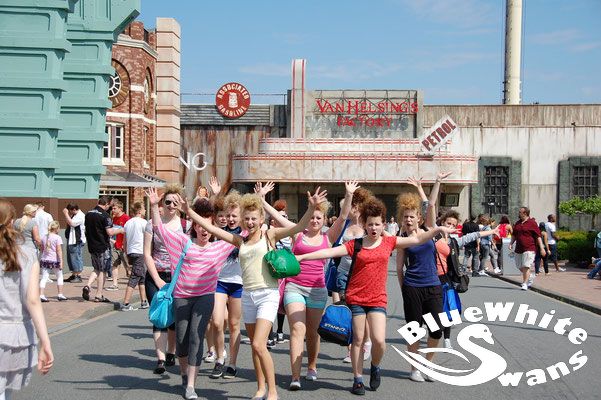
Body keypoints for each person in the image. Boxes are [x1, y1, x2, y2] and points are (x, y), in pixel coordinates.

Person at [296, 196, 454, 395]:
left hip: (377, 298)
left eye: (377, 224)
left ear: (383, 225)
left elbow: (416, 239)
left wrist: (438, 230)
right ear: (364, 224)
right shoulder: (356, 244)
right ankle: (358, 379)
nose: (373, 228)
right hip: (356, 297)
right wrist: (302, 256)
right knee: (358, 339)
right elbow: (329, 252)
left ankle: (375, 366)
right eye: (370, 224)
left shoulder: (389, 242)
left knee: (379, 341)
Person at [183, 187, 328, 400]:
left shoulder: (270, 235)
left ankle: (273, 391)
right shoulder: (239, 240)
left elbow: (298, 227)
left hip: (267, 295)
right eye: (246, 219)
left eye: (253, 218)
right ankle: (260, 388)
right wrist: (189, 211)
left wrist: (311, 207)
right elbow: (211, 228)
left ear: (261, 219)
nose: (250, 222)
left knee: (260, 344)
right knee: (254, 346)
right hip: (248, 296)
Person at [257, 181, 358, 390]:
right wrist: (262, 199)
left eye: (318, 218)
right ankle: (295, 377)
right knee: (297, 329)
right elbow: (277, 217)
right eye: (312, 217)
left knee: (312, 333)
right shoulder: (298, 233)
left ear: (324, 220)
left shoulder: (329, 237)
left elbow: (343, 217)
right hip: (294, 287)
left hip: (317, 290)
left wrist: (348, 195)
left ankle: (311, 366)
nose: (314, 220)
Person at [147, 189, 238, 400]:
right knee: (181, 340)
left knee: (196, 338)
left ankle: (191, 385)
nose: (203, 230)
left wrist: (249, 205)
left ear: (212, 227)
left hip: (205, 297)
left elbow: (243, 236)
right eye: (199, 225)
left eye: (207, 225)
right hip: (181, 297)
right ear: (194, 227)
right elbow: (159, 230)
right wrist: (153, 206)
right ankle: (183, 371)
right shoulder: (182, 242)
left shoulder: (220, 247)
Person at [0, 199, 53, 399]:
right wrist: (45, 342)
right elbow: (32, 300)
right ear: (11, 222)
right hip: (13, 334)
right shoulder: (27, 254)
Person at [435, 210, 498, 349]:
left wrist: (492, 231)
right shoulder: (432, 237)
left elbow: (473, 235)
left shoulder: (454, 241)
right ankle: (431, 328)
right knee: (434, 309)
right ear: (442, 223)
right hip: (431, 279)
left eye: (453, 225)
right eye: (448, 223)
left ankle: (447, 339)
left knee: (449, 308)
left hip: (447, 279)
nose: (450, 226)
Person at [144, 185, 187, 375]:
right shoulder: (152, 224)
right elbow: (147, 254)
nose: (171, 205)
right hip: (156, 275)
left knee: (174, 319)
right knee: (159, 316)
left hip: (178, 277)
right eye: (168, 201)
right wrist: (157, 279)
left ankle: (171, 352)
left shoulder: (185, 226)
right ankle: (160, 359)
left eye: (175, 202)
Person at [208, 191, 244, 379]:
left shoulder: (246, 233)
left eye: (234, 216)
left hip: (239, 283)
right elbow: (210, 214)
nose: (230, 219)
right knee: (217, 321)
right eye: (228, 215)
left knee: (234, 324)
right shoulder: (219, 232)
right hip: (219, 282)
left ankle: (232, 363)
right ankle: (219, 359)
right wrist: (215, 195)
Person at [82, 196, 124, 303]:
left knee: (96, 268)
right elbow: (110, 232)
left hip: (92, 246)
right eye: (109, 205)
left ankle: (87, 285)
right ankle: (99, 295)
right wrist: (120, 230)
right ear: (107, 204)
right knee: (103, 270)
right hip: (102, 246)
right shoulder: (105, 216)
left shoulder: (89, 214)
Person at [120, 202, 149, 311]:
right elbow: (147, 239)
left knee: (141, 277)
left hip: (131, 252)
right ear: (139, 210)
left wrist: (126, 252)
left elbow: (125, 241)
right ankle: (126, 303)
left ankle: (144, 301)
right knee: (134, 277)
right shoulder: (144, 223)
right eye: (144, 208)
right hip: (140, 252)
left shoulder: (128, 223)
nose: (145, 210)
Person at [510, 207, 546, 290]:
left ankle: (525, 283)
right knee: (519, 266)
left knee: (526, 265)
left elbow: (538, 236)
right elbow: (514, 235)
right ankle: (530, 276)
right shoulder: (518, 223)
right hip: (519, 248)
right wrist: (511, 243)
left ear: (525, 213)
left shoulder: (532, 223)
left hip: (529, 248)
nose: (518, 213)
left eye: (520, 212)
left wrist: (542, 248)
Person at [39, 221, 67, 302]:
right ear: (57, 228)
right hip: (55, 260)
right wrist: (61, 261)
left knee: (44, 278)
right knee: (59, 276)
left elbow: (42, 249)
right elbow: (59, 250)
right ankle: (60, 294)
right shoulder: (57, 238)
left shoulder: (44, 237)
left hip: (45, 260)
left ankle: (41, 295)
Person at [106, 200, 130, 291]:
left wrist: (126, 244)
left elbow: (129, 232)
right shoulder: (114, 218)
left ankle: (133, 284)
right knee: (114, 264)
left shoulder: (126, 218)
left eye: (114, 208)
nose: (113, 210)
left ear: (120, 209)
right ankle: (115, 284)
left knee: (128, 267)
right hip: (115, 245)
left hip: (124, 246)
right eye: (112, 208)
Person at [63, 204, 86, 283]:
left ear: (74, 209)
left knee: (76, 257)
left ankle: (78, 275)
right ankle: (73, 274)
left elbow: (72, 223)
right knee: (71, 258)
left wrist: (66, 214)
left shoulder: (80, 216)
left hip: (76, 240)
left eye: (70, 211)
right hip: (72, 239)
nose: (69, 213)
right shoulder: (74, 215)